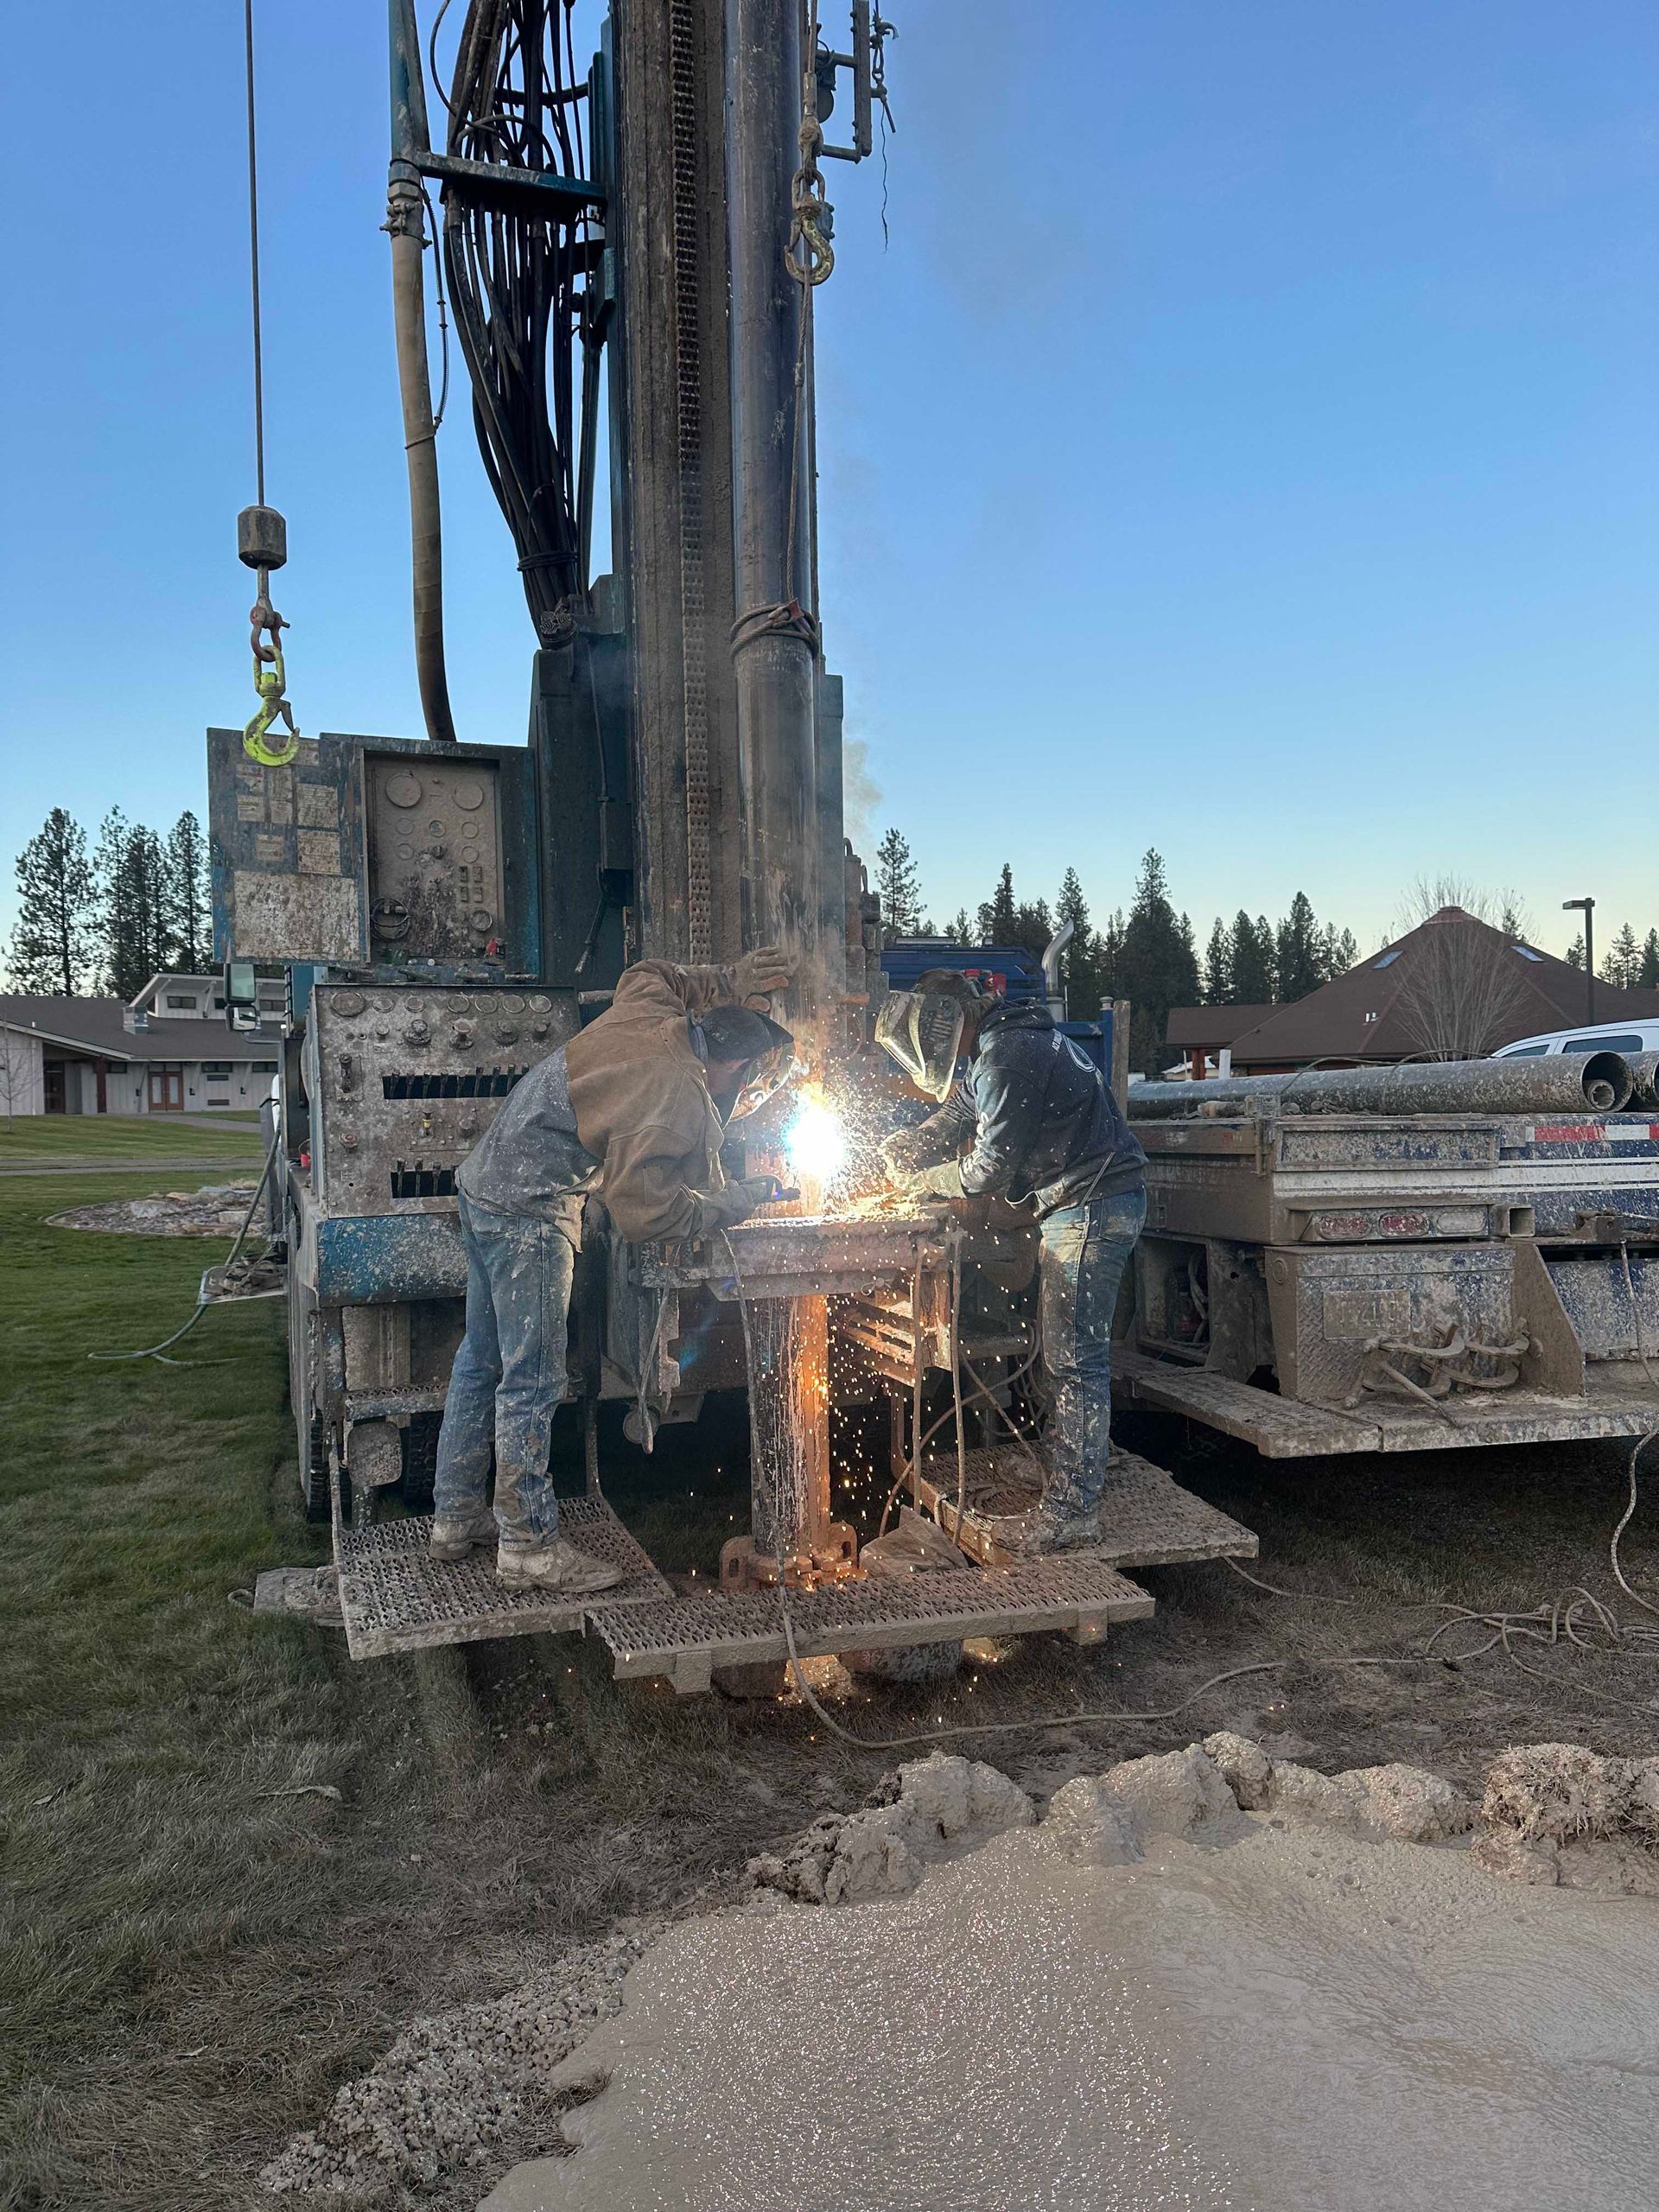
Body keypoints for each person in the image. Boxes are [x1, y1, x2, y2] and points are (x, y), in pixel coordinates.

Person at [429, 946, 798, 1593]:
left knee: (480, 1359)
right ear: (733, 1064)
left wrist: (727, 978)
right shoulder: (678, 1093)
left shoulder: (654, 1008)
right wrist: (735, 1202)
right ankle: (527, 1546)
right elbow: (646, 1216)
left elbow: (651, 971)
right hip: (530, 1213)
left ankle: (456, 1515)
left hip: (484, 1182)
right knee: (533, 1380)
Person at [875, 968, 1147, 1555]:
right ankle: (1070, 1466)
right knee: (1066, 1351)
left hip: (1092, 1207)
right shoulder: (1007, 1041)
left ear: (945, 1023)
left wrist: (922, 1182)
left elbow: (988, 1169)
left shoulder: (1006, 1054)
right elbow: (960, 1113)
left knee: (1076, 1359)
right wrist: (911, 1143)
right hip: (1087, 1202)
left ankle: (1075, 1509)